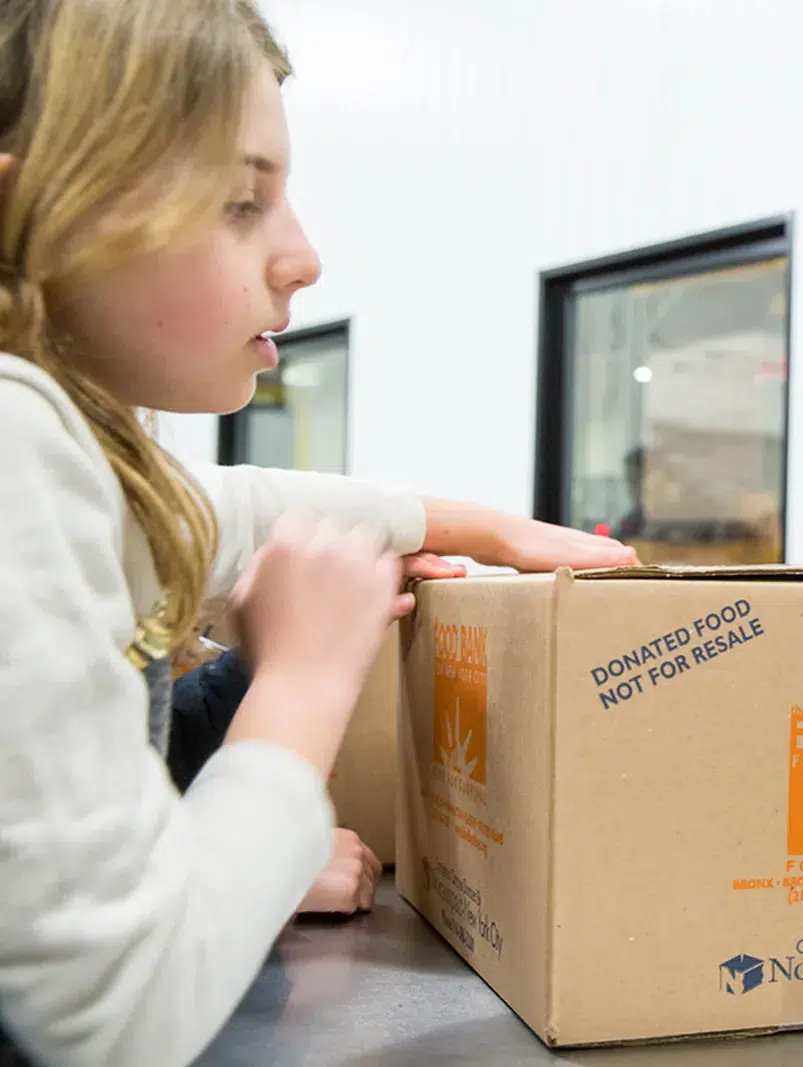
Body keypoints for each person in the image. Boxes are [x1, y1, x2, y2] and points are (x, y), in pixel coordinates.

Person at [0, 3, 634, 1065]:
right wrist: (302, 678)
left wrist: (478, 525)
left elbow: (230, 515)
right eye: (241, 202)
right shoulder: (17, 439)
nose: (303, 257)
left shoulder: (68, 454)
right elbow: (116, 1013)